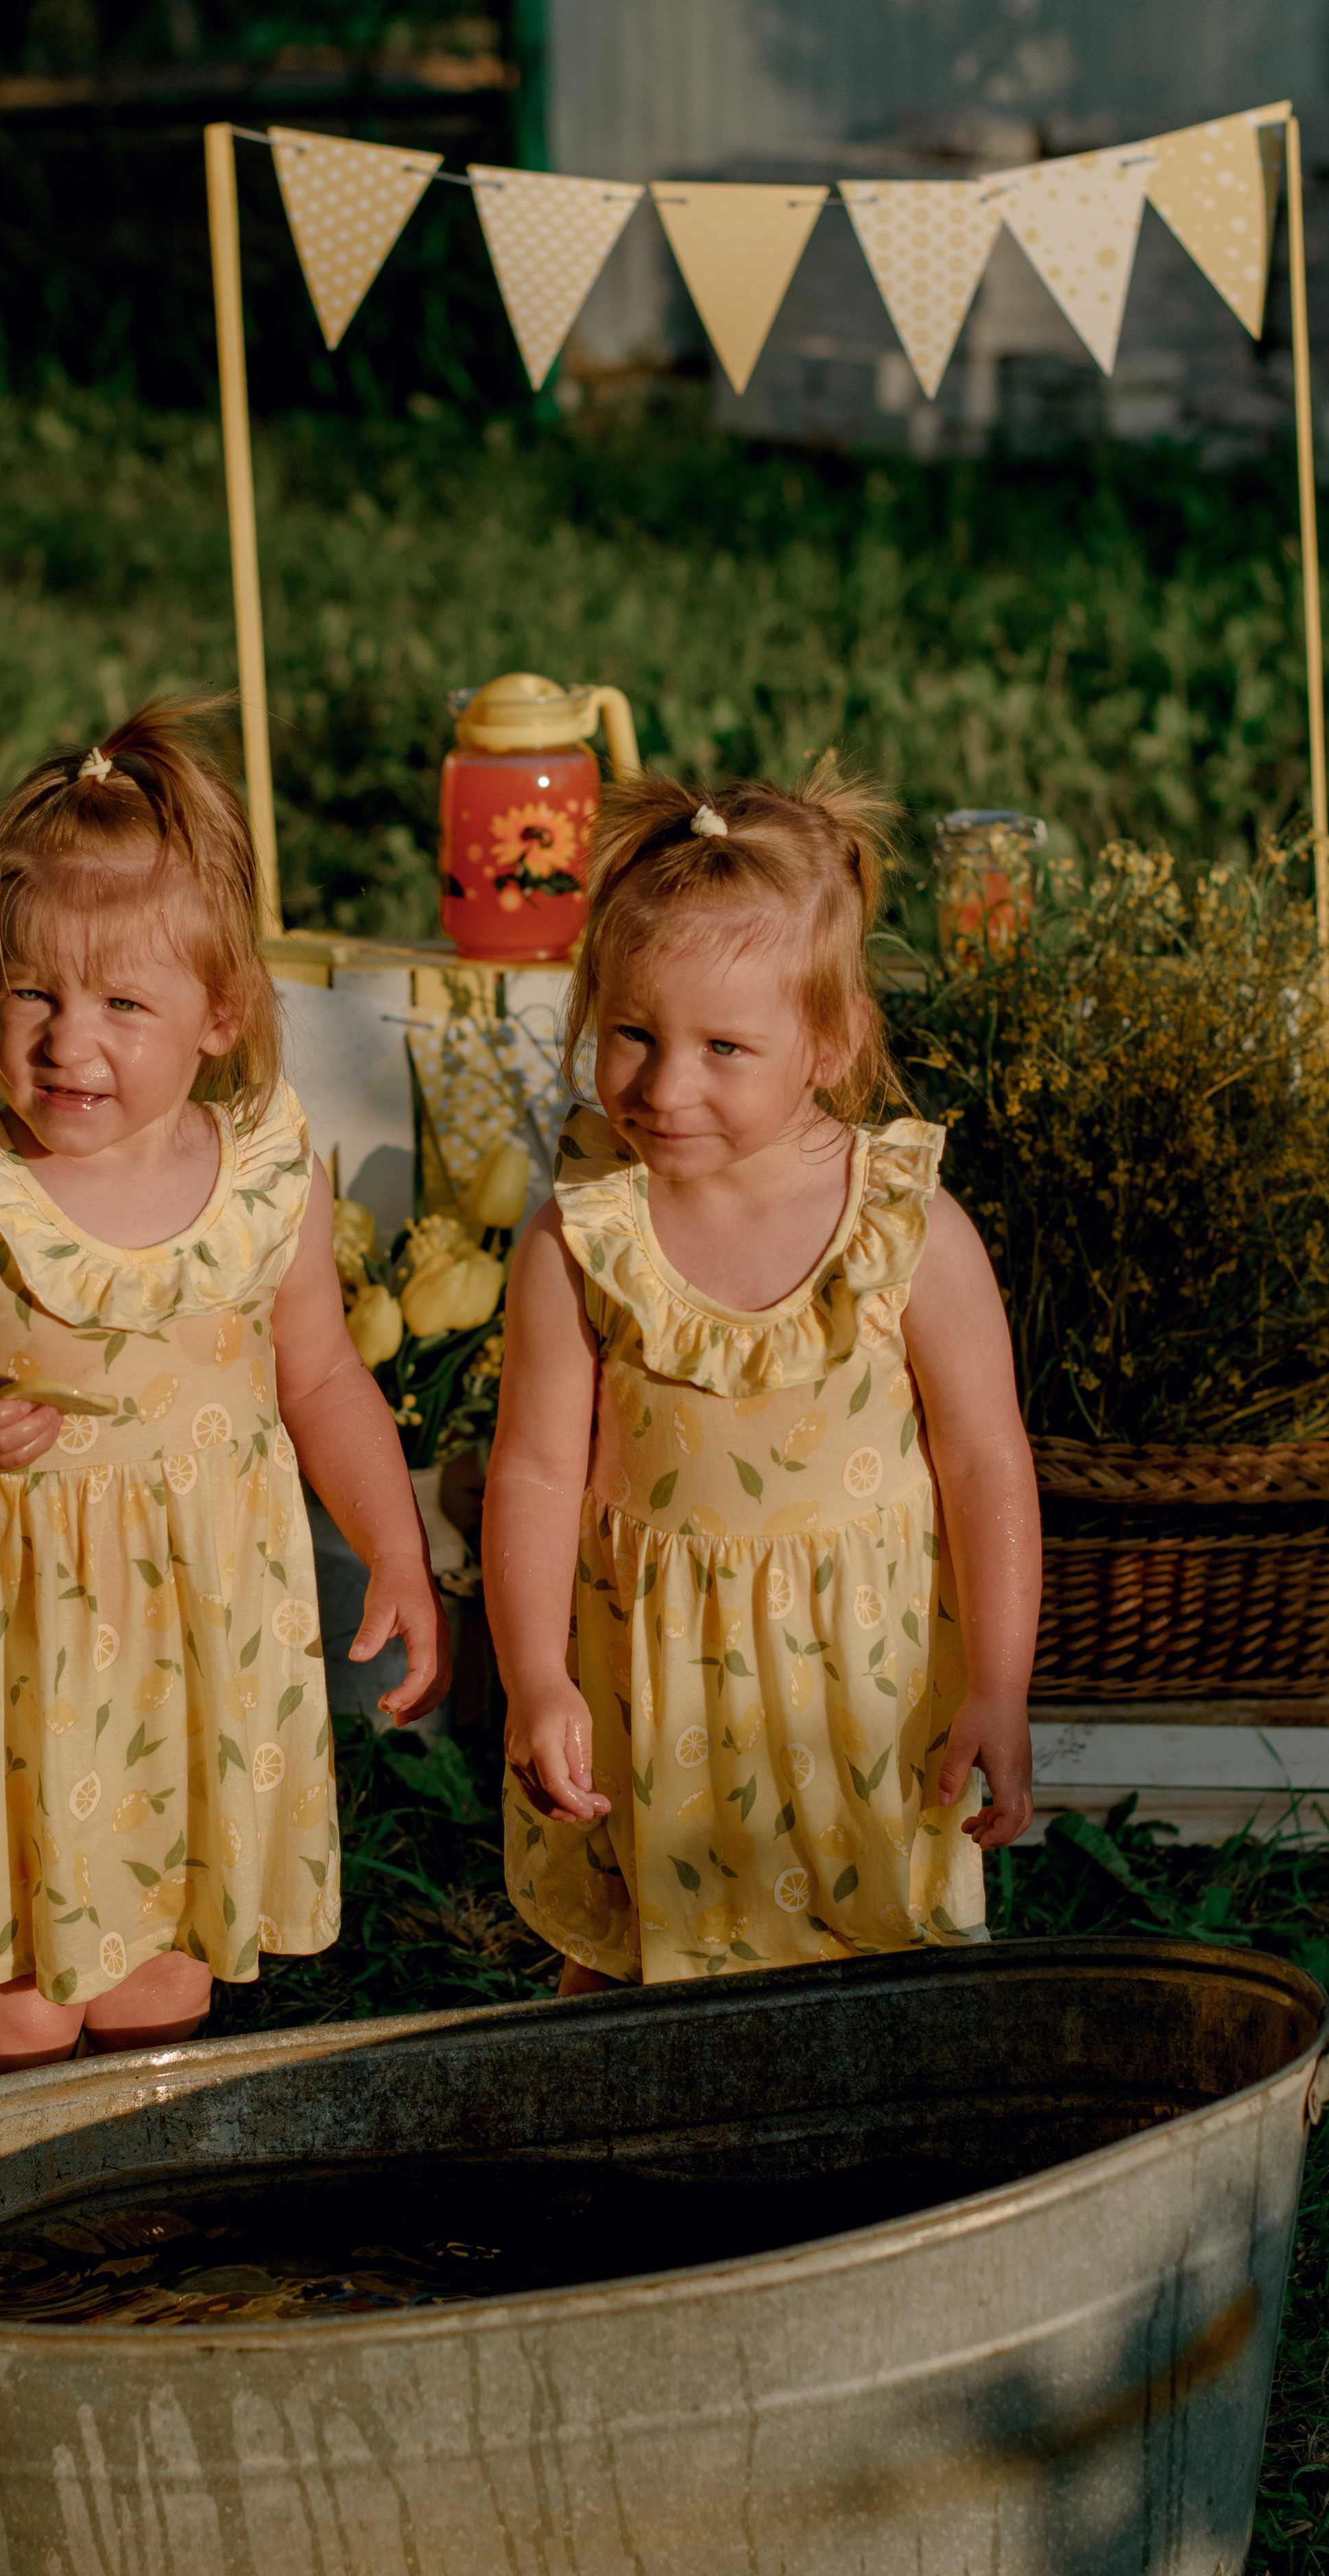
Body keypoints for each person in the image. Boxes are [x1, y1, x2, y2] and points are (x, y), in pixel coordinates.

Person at [0, 703, 448, 2093]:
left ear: (219, 1014)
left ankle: (107, 2263)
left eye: (120, 1004)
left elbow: (319, 1374)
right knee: (16, 2023)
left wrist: (395, 1546)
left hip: (195, 1666)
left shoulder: (271, 1181)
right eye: (32, 992)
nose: (65, 1042)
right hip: (7, 1685)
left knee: (159, 1997)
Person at [484, 770, 1040, 1990]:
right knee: (633, 1967)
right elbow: (531, 1469)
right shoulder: (585, 1235)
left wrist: (998, 1683)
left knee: (873, 1969)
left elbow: (986, 1455)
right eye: (633, 1034)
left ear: (830, 1040)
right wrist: (535, 1678)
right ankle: (599, 2167)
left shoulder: (906, 1231)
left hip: (860, 1697)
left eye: (725, 1047)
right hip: (659, 1689)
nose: (664, 1085)